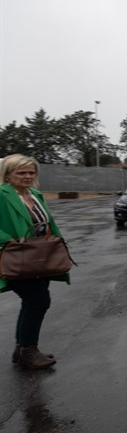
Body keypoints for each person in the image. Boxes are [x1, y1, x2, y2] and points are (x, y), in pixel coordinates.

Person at [0, 154, 68, 369]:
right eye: (21, 173)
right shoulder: (2, 195)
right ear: (8, 175)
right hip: (17, 256)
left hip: (40, 255)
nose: (27, 176)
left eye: (31, 172)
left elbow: (46, 222)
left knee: (31, 302)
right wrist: (9, 240)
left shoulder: (35, 193)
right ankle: (28, 350)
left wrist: (56, 242)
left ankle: (21, 350)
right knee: (38, 300)